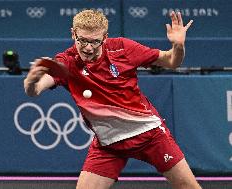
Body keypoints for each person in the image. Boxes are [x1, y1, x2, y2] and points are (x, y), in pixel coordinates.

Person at [24, 9, 201, 189]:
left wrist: (178, 46)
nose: (88, 48)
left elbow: (171, 61)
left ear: (105, 37)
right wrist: (31, 81)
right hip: (108, 145)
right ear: (73, 34)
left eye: (95, 41)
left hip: (150, 134)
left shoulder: (123, 49)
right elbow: (35, 90)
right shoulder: (66, 62)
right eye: (83, 40)